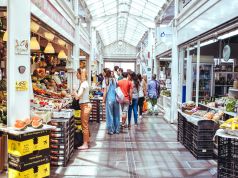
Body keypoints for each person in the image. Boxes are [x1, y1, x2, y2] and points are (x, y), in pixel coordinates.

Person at [72, 68, 92, 150]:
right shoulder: (84, 83)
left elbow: (77, 97)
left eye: (77, 73)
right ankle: (87, 140)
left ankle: (85, 144)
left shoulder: (83, 84)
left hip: (85, 106)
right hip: (85, 105)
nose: (76, 75)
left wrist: (74, 90)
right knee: (85, 124)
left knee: (84, 125)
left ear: (81, 74)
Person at [102, 69, 120, 135]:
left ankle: (111, 130)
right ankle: (117, 129)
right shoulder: (115, 79)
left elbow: (105, 92)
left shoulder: (105, 80)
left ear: (106, 73)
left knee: (110, 115)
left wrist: (103, 101)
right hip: (116, 99)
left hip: (109, 99)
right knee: (116, 115)